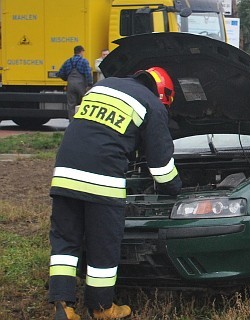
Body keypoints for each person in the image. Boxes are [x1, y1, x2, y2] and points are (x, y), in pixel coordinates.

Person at [48, 67, 182, 319]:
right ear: (164, 95)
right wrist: (176, 188)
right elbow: (160, 167)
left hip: (65, 173)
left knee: (65, 241)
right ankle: (101, 308)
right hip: (102, 180)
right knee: (103, 245)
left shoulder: (103, 86)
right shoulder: (152, 105)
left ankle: (62, 305)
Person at [58, 45, 94, 120]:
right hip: (81, 85)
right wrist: (90, 84)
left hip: (70, 85)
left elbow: (60, 73)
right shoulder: (84, 61)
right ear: (81, 51)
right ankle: (82, 122)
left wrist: (66, 78)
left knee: (71, 104)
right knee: (83, 103)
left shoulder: (68, 61)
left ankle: (72, 122)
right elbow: (88, 74)